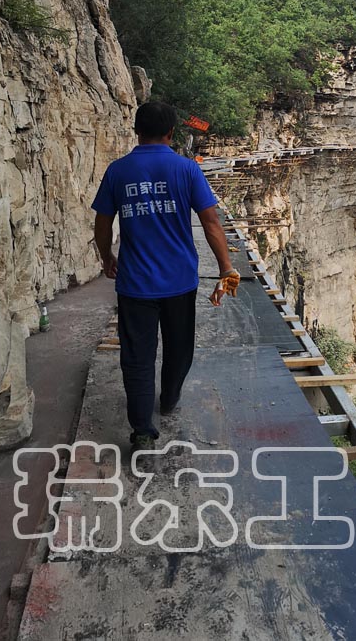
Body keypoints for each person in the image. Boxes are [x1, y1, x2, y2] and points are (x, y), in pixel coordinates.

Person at [92, 101, 240, 449]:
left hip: (135, 284)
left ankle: (143, 430)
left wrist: (106, 256)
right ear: (172, 133)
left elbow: (102, 222)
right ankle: (170, 398)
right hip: (179, 282)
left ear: (136, 131)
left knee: (137, 357)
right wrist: (226, 268)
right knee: (178, 348)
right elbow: (211, 222)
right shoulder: (187, 169)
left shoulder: (117, 171)